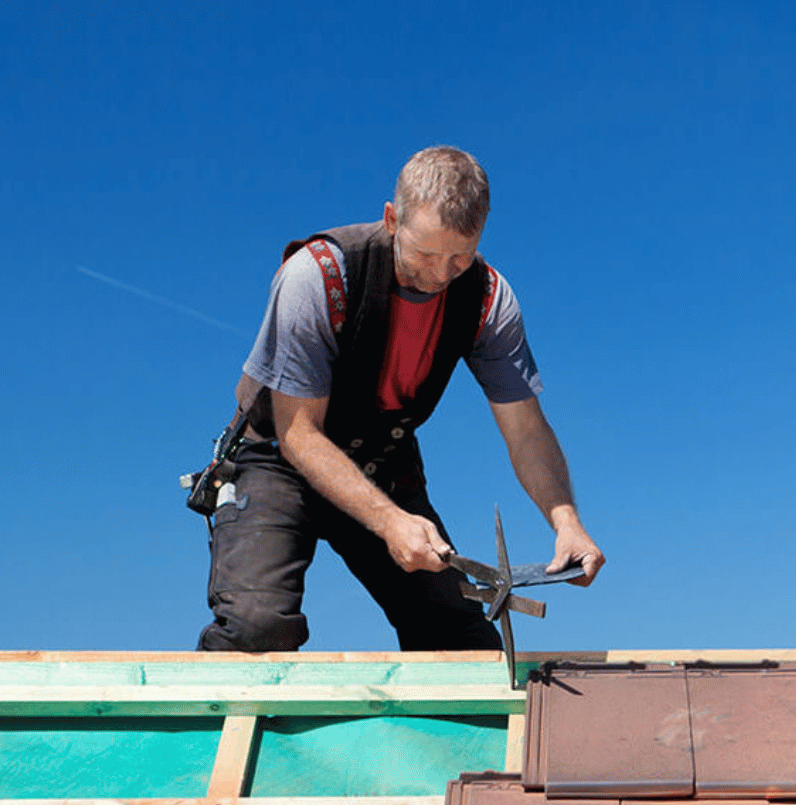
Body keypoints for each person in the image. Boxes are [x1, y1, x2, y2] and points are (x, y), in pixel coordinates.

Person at [197, 145, 603, 652]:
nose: (441, 275)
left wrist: (566, 523)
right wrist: (390, 521)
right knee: (257, 629)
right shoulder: (316, 276)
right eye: (426, 254)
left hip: (383, 462)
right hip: (279, 460)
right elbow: (299, 433)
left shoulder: (487, 299)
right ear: (392, 219)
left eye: (460, 256)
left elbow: (524, 429)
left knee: (463, 645)